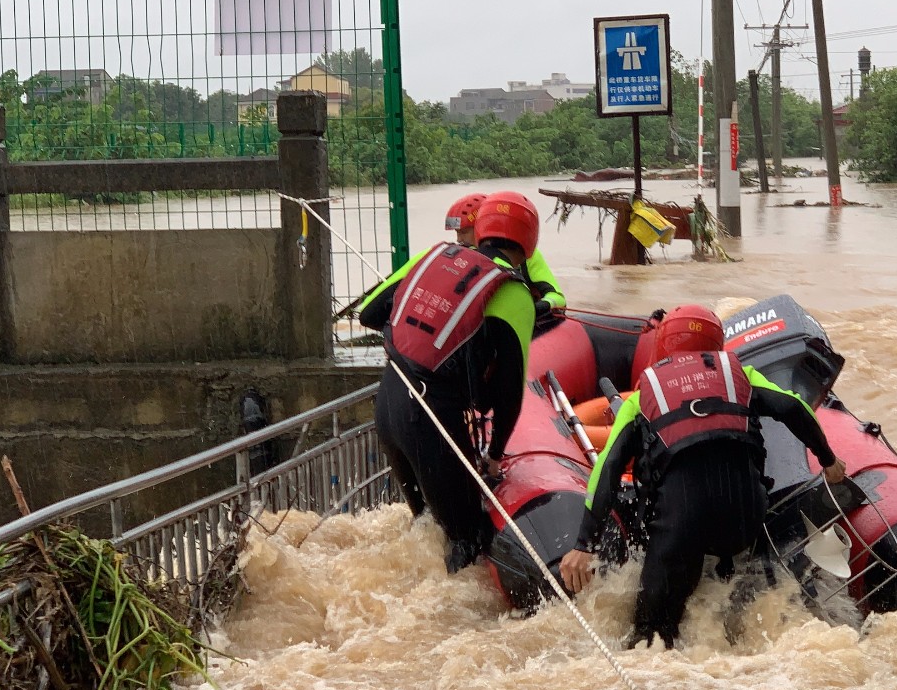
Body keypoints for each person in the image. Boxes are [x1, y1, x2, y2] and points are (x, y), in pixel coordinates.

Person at [559, 305, 847, 648]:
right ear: (717, 345)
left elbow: (608, 469)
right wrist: (828, 460)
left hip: (683, 525)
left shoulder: (642, 397)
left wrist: (584, 545)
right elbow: (792, 408)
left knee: (649, 638)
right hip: (744, 521)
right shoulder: (739, 374)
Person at [356, 191, 541, 572]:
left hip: (389, 402)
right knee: (466, 543)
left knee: (426, 528)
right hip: (430, 418)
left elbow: (371, 313)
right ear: (529, 241)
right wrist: (494, 455)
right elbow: (509, 392)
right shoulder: (512, 291)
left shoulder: (435, 258)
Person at [447, 191, 565, 327]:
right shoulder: (460, 258)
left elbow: (558, 298)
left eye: (463, 232)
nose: (458, 239)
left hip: (525, 322)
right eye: (457, 233)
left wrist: (534, 309)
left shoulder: (525, 255)